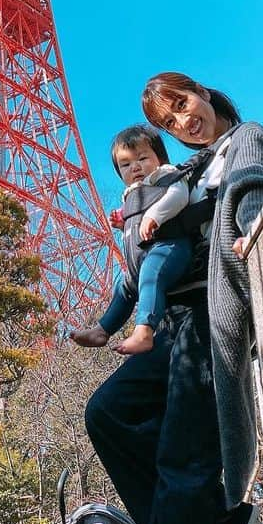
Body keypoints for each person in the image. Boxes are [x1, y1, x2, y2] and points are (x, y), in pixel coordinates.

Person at [81, 71, 263, 524]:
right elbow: (146, 259)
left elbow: (250, 188)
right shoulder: (186, 174)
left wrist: (246, 231)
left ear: (206, 95)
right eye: (169, 119)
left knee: (180, 457)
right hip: (168, 322)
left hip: (207, 316)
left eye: (183, 105)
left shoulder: (243, 139)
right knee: (108, 413)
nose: (183, 120)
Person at [70, 124, 195, 355]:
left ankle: (144, 331)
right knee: (123, 287)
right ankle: (102, 329)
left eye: (142, 158)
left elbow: (179, 195)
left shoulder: (165, 175)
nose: (135, 167)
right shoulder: (130, 194)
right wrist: (122, 225)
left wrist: (154, 215)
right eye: (125, 165)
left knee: (150, 274)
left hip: (170, 247)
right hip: (143, 258)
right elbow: (136, 231)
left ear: (160, 158)